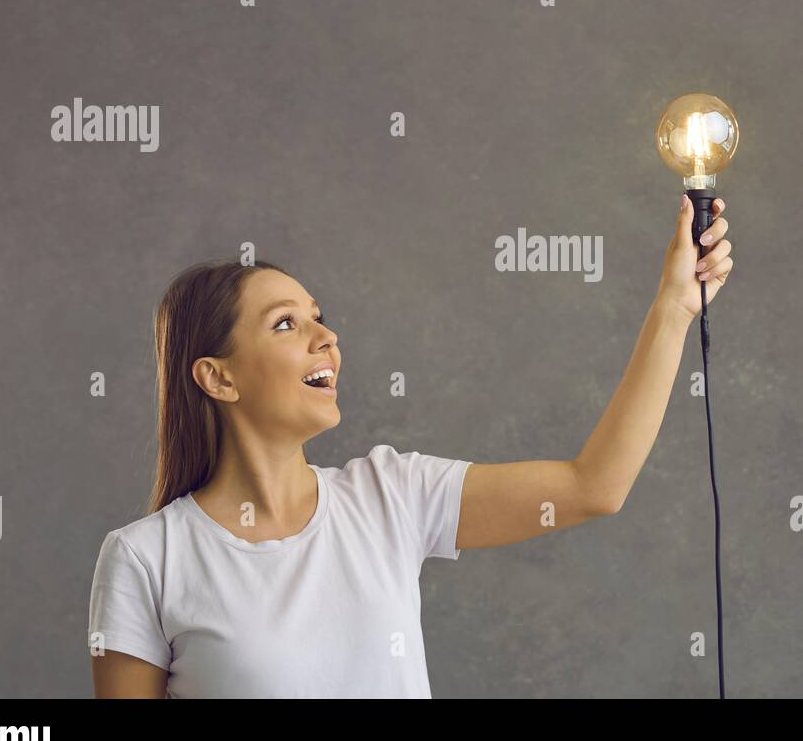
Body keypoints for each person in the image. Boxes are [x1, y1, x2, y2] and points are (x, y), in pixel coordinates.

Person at [88, 194, 732, 697]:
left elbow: (595, 486)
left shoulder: (390, 495)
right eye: (286, 323)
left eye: (319, 316)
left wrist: (674, 307)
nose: (326, 337)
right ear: (217, 376)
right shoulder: (147, 560)